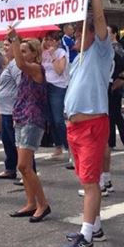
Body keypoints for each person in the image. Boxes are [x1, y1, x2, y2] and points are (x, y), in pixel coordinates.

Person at [61, 0, 114, 247]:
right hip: (76, 128)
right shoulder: (78, 59)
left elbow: (101, 17)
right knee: (85, 178)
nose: (75, 35)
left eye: (80, 31)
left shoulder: (101, 51)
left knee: (91, 182)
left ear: (93, 33)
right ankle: (95, 226)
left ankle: (86, 237)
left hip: (92, 125)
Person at [7, 32, 51, 221]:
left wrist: (15, 40)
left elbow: (20, 63)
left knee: (24, 165)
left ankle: (43, 204)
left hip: (32, 119)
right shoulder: (25, 71)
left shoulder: (36, 68)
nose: (21, 54)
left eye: (25, 51)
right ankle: (30, 202)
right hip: (21, 117)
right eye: (21, 50)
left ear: (34, 54)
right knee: (23, 168)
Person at [0, 40, 20, 179]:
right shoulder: (9, 64)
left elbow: (21, 86)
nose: (5, 48)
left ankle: (26, 171)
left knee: (17, 142)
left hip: (12, 110)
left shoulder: (16, 65)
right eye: (3, 45)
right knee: (7, 141)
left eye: (8, 45)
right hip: (4, 109)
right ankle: (10, 168)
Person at [42, 31, 70, 162]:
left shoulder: (61, 53)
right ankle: (57, 146)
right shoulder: (42, 53)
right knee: (50, 119)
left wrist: (53, 55)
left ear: (57, 41)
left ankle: (69, 146)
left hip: (58, 86)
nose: (48, 43)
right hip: (45, 86)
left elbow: (59, 70)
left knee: (58, 119)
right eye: (46, 39)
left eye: (51, 40)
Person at [108, 43, 124, 151]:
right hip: (103, 89)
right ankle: (114, 142)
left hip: (112, 90)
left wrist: (118, 82)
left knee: (114, 115)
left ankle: (116, 143)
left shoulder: (112, 55)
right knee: (113, 116)